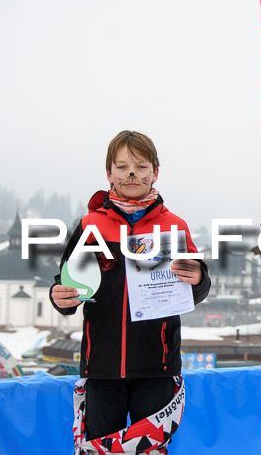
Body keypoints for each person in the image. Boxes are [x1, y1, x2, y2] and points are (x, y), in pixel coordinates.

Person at [50, 130, 210, 454]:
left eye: (140, 166)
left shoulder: (174, 226)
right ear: (109, 173)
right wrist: (59, 296)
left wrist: (199, 278)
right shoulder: (90, 225)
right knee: (97, 449)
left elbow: (195, 288)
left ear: (155, 172)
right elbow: (66, 284)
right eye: (122, 167)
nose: (131, 174)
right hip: (102, 368)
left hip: (158, 368)